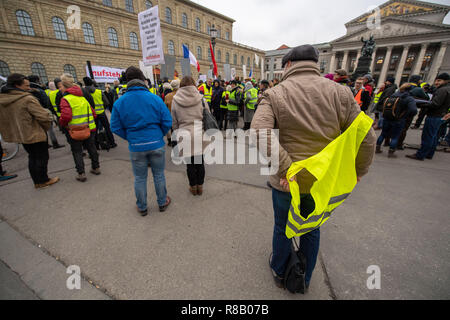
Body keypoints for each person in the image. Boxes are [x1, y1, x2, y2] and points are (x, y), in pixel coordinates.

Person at [251, 45, 376, 291]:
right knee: (311, 228)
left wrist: (288, 169)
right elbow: (367, 136)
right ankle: (304, 278)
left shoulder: (276, 93)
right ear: (315, 63)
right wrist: (358, 170)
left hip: (287, 181)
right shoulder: (341, 93)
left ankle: (279, 271)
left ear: (288, 65)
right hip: (322, 180)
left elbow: (259, 132)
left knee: (282, 226)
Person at [110, 66, 172, 216]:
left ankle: (142, 206)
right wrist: (159, 135)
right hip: (156, 143)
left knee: (139, 177)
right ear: (143, 80)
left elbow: (115, 127)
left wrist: (130, 137)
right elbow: (167, 121)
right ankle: (162, 202)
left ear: (127, 81)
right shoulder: (155, 98)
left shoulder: (120, 102)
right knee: (159, 175)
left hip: (136, 145)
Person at [0, 74, 60, 188]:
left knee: (32, 157)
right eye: (26, 86)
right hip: (34, 132)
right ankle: (43, 180)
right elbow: (43, 116)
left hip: (21, 133)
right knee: (41, 157)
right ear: (17, 85)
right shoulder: (27, 99)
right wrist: (46, 125)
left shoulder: (4, 99)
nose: (28, 88)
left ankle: (37, 181)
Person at [171, 76, 209, 196]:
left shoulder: (175, 99)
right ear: (194, 84)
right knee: (199, 162)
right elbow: (207, 116)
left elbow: (174, 121)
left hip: (184, 134)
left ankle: (193, 187)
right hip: (198, 133)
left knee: (190, 164)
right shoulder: (201, 98)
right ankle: (200, 187)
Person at [59, 74, 100, 182]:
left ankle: (81, 173)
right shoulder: (82, 98)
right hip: (90, 128)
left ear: (65, 86)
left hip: (75, 130)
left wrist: (62, 124)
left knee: (77, 151)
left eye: (61, 86)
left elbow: (66, 116)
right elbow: (93, 114)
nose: (60, 89)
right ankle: (96, 167)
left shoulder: (66, 99)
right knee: (92, 148)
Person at [406, 73, 450, 161]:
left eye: (439, 80)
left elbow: (435, 104)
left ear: (446, 81)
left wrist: (421, 103)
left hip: (434, 115)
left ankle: (421, 154)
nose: (436, 82)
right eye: (436, 80)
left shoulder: (442, 90)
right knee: (433, 136)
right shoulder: (446, 89)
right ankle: (429, 153)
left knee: (428, 136)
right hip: (440, 115)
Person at [375, 83, 417, 158]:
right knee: (395, 136)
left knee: (383, 134)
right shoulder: (408, 98)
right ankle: (391, 152)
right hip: (399, 119)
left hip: (387, 117)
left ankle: (377, 148)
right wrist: (406, 115)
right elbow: (413, 110)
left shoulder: (393, 95)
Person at [28, 75, 65, 150]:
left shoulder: (27, 91)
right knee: (50, 129)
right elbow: (47, 103)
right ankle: (55, 143)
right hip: (44, 112)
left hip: (33, 114)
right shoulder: (40, 91)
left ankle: (44, 144)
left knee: (40, 129)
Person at [397, 75, 430, 150]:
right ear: (418, 81)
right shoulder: (418, 89)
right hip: (408, 111)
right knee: (404, 128)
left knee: (396, 126)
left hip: (399, 110)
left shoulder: (403, 87)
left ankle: (390, 141)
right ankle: (398, 144)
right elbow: (427, 98)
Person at [83, 77, 117, 149]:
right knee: (107, 128)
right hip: (101, 113)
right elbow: (106, 102)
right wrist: (102, 108)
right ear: (92, 84)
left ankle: (96, 145)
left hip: (91, 115)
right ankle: (112, 142)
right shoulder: (99, 91)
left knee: (93, 130)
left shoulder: (83, 93)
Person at [164, 79, 179, 147]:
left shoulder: (167, 96)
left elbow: (165, 108)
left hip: (172, 118)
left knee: (174, 132)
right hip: (181, 118)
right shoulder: (181, 94)